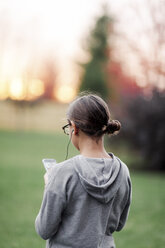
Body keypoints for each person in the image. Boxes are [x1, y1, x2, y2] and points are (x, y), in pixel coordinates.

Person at [35, 93, 132, 248]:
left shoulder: (61, 173)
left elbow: (44, 229)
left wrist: (49, 185)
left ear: (74, 128)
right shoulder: (123, 171)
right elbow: (119, 224)